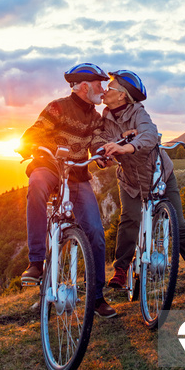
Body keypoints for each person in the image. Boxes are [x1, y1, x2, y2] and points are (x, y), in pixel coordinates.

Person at [100, 69, 185, 293]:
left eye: (111, 88)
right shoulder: (105, 118)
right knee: (130, 219)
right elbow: (102, 143)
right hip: (130, 182)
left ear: (123, 95)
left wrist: (126, 146)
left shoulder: (139, 113)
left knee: (179, 225)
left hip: (159, 176)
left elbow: (149, 135)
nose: (106, 91)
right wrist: (103, 158)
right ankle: (121, 269)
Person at [16, 63, 117, 318]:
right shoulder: (57, 107)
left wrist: (102, 153)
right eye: (98, 84)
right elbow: (35, 131)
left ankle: (96, 297)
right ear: (84, 87)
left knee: (95, 231)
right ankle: (36, 263)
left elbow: (97, 142)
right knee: (37, 185)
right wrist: (29, 145)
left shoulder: (95, 117)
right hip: (49, 167)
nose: (102, 89)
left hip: (77, 175)